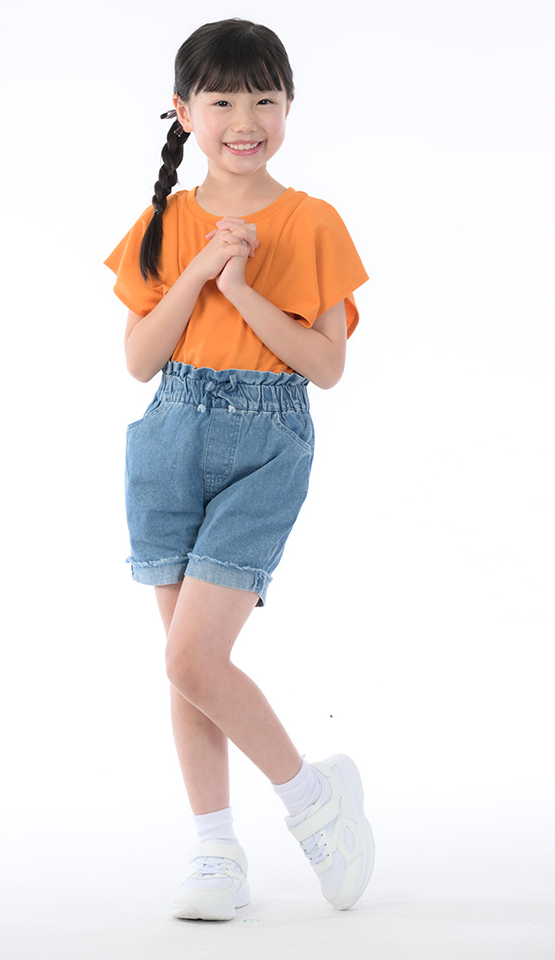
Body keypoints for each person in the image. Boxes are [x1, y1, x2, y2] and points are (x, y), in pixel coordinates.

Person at [104, 18, 374, 922]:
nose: (244, 119)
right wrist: (199, 272)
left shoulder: (312, 220)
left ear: (289, 104)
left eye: (264, 97)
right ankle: (216, 850)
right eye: (221, 100)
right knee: (186, 665)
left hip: (267, 445)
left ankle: (311, 801)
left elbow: (326, 367)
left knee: (192, 655)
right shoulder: (164, 223)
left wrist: (242, 290)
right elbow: (140, 359)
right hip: (168, 437)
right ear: (184, 112)